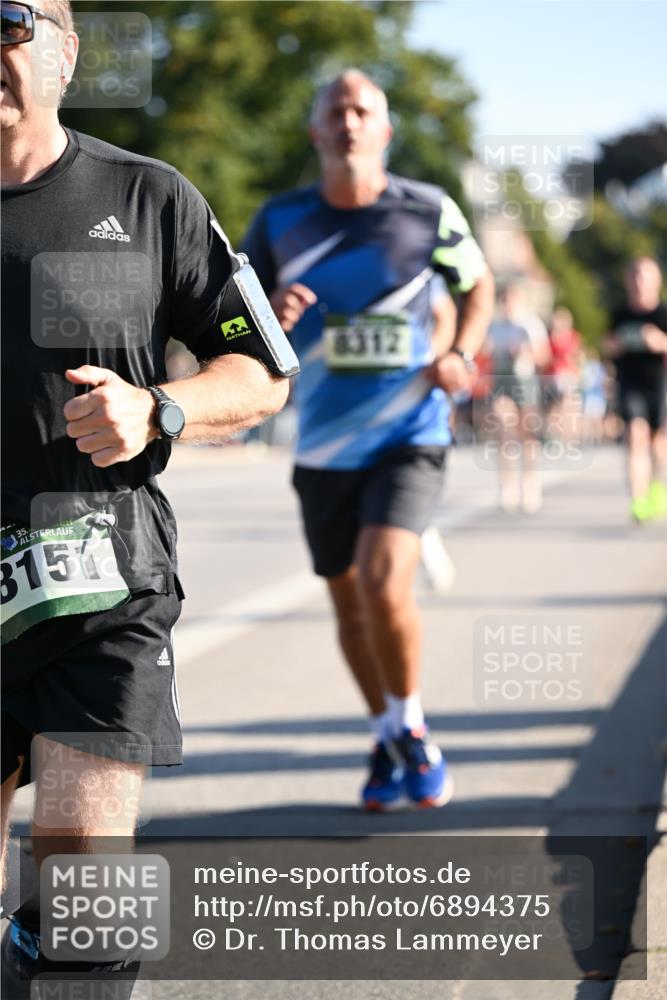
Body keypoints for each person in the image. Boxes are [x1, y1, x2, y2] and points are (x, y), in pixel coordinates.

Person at [1, 1, 295, 993]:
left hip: (99, 591)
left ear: (64, 49)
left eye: (7, 22)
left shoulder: (149, 194)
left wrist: (159, 410)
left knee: (85, 889)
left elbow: (263, 369)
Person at [242, 69, 494, 811]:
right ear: (316, 130)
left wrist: (462, 353)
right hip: (320, 445)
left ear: (384, 130)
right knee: (349, 606)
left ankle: (410, 729)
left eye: (363, 110)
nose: (349, 121)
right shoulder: (279, 220)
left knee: (385, 581)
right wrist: (269, 316)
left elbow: (475, 288)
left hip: (410, 432)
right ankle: (386, 734)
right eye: (334, 110)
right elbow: (232, 317)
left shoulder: (428, 210)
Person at [604, 257, 667, 522]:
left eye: (645, 276)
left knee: (659, 445)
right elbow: (607, 347)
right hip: (630, 384)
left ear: (656, 281)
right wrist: (613, 346)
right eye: (636, 276)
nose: (640, 281)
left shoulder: (662, 314)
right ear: (629, 281)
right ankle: (638, 499)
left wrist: (660, 341)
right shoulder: (619, 315)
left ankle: (656, 487)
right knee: (635, 435)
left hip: (660, 383)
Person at [484, 284, 551, 513]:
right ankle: (507, 486)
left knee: (527, 435)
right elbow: (485, 352)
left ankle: (530, 483)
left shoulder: (529, 324)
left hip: (523, 381)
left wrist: (524, 351)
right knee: (503, 430)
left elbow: (544, 355)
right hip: (501, 381)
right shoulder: (494, 326)